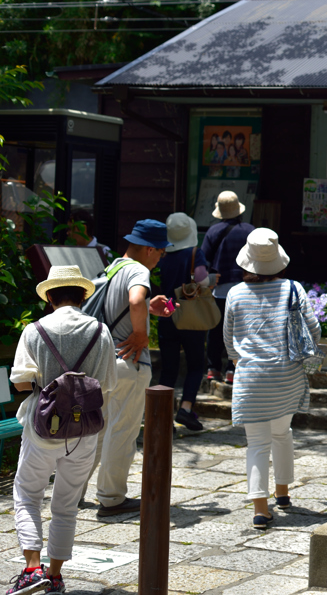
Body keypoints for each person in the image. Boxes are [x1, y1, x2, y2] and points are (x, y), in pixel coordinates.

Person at [8, 266, 117, 595]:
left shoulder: (35, 330)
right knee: (66, 505)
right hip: (84, 430)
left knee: (27, 494)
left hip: (42, 428)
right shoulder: (100, 330)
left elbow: (20, 380)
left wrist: (48, 385)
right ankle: (54, 575)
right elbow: (108, 385)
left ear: (50, 297)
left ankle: (31, 569)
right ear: (84, 296)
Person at [223, 228, 320, 529]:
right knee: (283, 432)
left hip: (251, 378)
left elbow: (228, 338)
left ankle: (260, 508)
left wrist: (240, 360)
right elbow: (313, 330)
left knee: (257, 443)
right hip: (286, 375)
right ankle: (283, 492)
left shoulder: (235, 293)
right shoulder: (293, 289)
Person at [86, 219, 174, 516]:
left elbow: (124, 305)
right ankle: (111, 498)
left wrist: (148, 308)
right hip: (129, 361)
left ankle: (73, 492)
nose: (161, 257)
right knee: (122, 431)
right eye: (161, 252)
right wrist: (140, 334)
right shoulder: (139, 270)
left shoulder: (111, 267)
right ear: (150, 249)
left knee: (95, 431)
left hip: (101, 361)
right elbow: (135, 299)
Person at [156, 213, 210, 431]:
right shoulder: (195, 253)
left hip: (167, 311)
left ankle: (161, 414)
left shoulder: (162, 256)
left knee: (168, 367)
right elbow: (201, 279)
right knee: (196, 364)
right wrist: (213, 280)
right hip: (190, 314)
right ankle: (186, 409)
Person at [202, 191, 255, 384]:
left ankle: (213, 368)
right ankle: (233, 369)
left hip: (220, 287)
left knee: (216, 328)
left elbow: (204, 259)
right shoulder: (250, 230)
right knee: (240, 329)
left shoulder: (213, 232)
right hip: (246, 287)